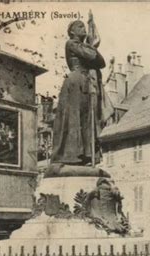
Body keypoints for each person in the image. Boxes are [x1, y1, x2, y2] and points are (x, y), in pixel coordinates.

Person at [51, 17, 107, 165]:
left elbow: (102, 62)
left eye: (84, 27)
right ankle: (72, 155)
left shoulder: (82, 46)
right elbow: (93, 56)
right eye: (80, 27)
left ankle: (86, 155)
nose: (84, 30)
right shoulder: (72, 43)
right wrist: (92, 45)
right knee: (74, 117)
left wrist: (91, 46)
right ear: (72, 31)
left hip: (85, 82)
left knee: (86, 118)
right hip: (76, 81)